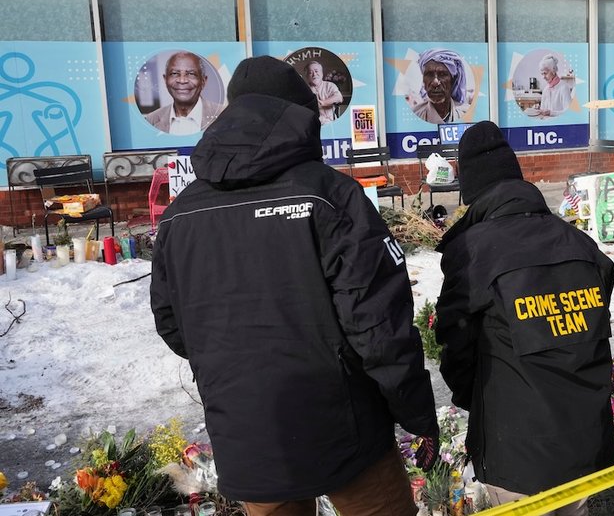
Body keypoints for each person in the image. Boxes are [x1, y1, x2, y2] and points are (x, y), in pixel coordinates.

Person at [151, 56, 439, 516]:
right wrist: (418, 414)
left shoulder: (180, 214)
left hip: (249, 435)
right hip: (346, 432)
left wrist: (235, 365)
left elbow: (173, 323)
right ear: (301, 116)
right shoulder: (331, 196)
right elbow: (379, 326)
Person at [433, 120, 614, 515]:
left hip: (516, 453)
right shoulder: (581, 245)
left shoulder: (473, 252)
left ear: (471, 190)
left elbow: (456, 350)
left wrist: (479, 403)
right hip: (585, 442)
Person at [145, 51, 225, 135]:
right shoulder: (151, 120)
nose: (182, 80)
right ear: (165, 80)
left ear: (203, 81)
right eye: (175, 73)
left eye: (191, 74)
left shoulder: (224, 115)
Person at [412, 48, 470, 123]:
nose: (435, 82)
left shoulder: (466, 112)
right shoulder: (416, 114)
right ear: (423, 81)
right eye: (429, 74)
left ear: (453, 80)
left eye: (442, 74)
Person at [304, 60, 344, 125]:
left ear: (322, 73)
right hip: (311, 124)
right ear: (307, 76)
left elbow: (339, 98)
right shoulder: (304, 89)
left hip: (330, 122)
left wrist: (323, 102)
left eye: (316, 71)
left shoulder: (330, 85)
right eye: (310, 72)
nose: (314, 74)